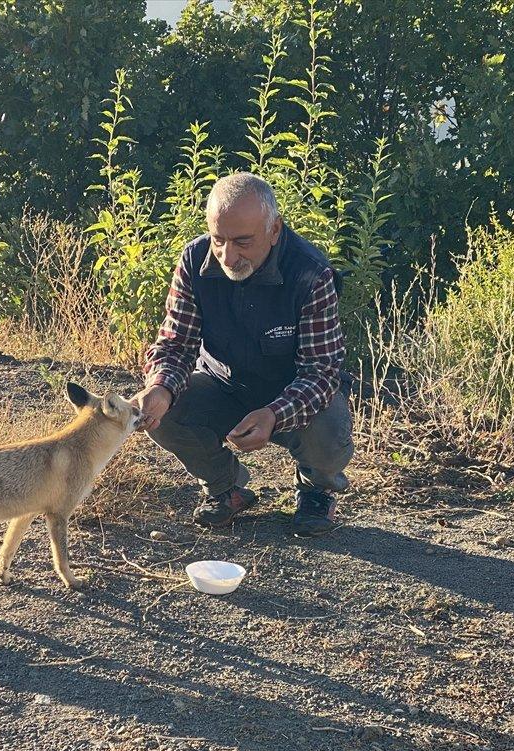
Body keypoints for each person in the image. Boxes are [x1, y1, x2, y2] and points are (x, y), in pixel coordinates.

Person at [132, 172, 353, 535]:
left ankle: (316, 491)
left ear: (275, 229)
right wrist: (160, 388)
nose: (227, 255)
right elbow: (176, 344)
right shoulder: (194, 261)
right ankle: (225, 488)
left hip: (293, 392)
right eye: (218, 240)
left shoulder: (311, 274)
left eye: (242, 242)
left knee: (329, 424)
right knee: (163, 410)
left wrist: (273, 415)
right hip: (224, 384)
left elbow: (321, 371)